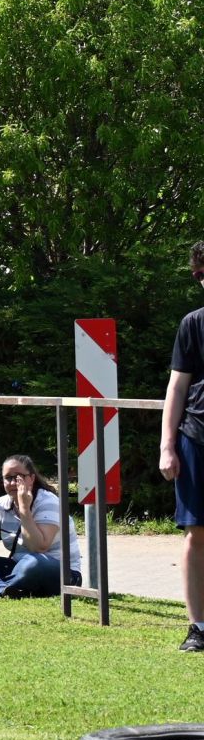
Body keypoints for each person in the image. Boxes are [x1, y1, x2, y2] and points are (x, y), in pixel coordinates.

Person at [0, 456, 81, 598]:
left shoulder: (48, 502)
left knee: (32, 563)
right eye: (8, 478)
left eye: (19, 477)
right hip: (19, 567)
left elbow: (39, 547)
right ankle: (1, 591)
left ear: (31, 478)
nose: (13, 483)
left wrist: (24, 508)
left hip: (59, 571)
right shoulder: (3, 504)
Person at [160, 241, 204, 652]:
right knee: (196, 534)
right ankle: (199, 628)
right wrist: (166, 446)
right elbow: (177, 387)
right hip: (197, 439)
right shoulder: (193, 323)